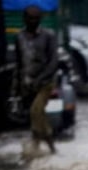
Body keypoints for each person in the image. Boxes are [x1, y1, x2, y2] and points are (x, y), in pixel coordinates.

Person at [12, 5, 58, 155]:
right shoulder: (19, 37)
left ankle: (40, 145)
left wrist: (41, 79)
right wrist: (16, 88)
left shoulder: (48, 36)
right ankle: (47, 147)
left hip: (45, 82)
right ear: (24, 18)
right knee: (37, 116)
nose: (33, 21)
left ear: (40, 19)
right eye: (30, 18)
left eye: (36, 18)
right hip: (27, 83)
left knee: (35, 111)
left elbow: (53, 62)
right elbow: (18, 64)